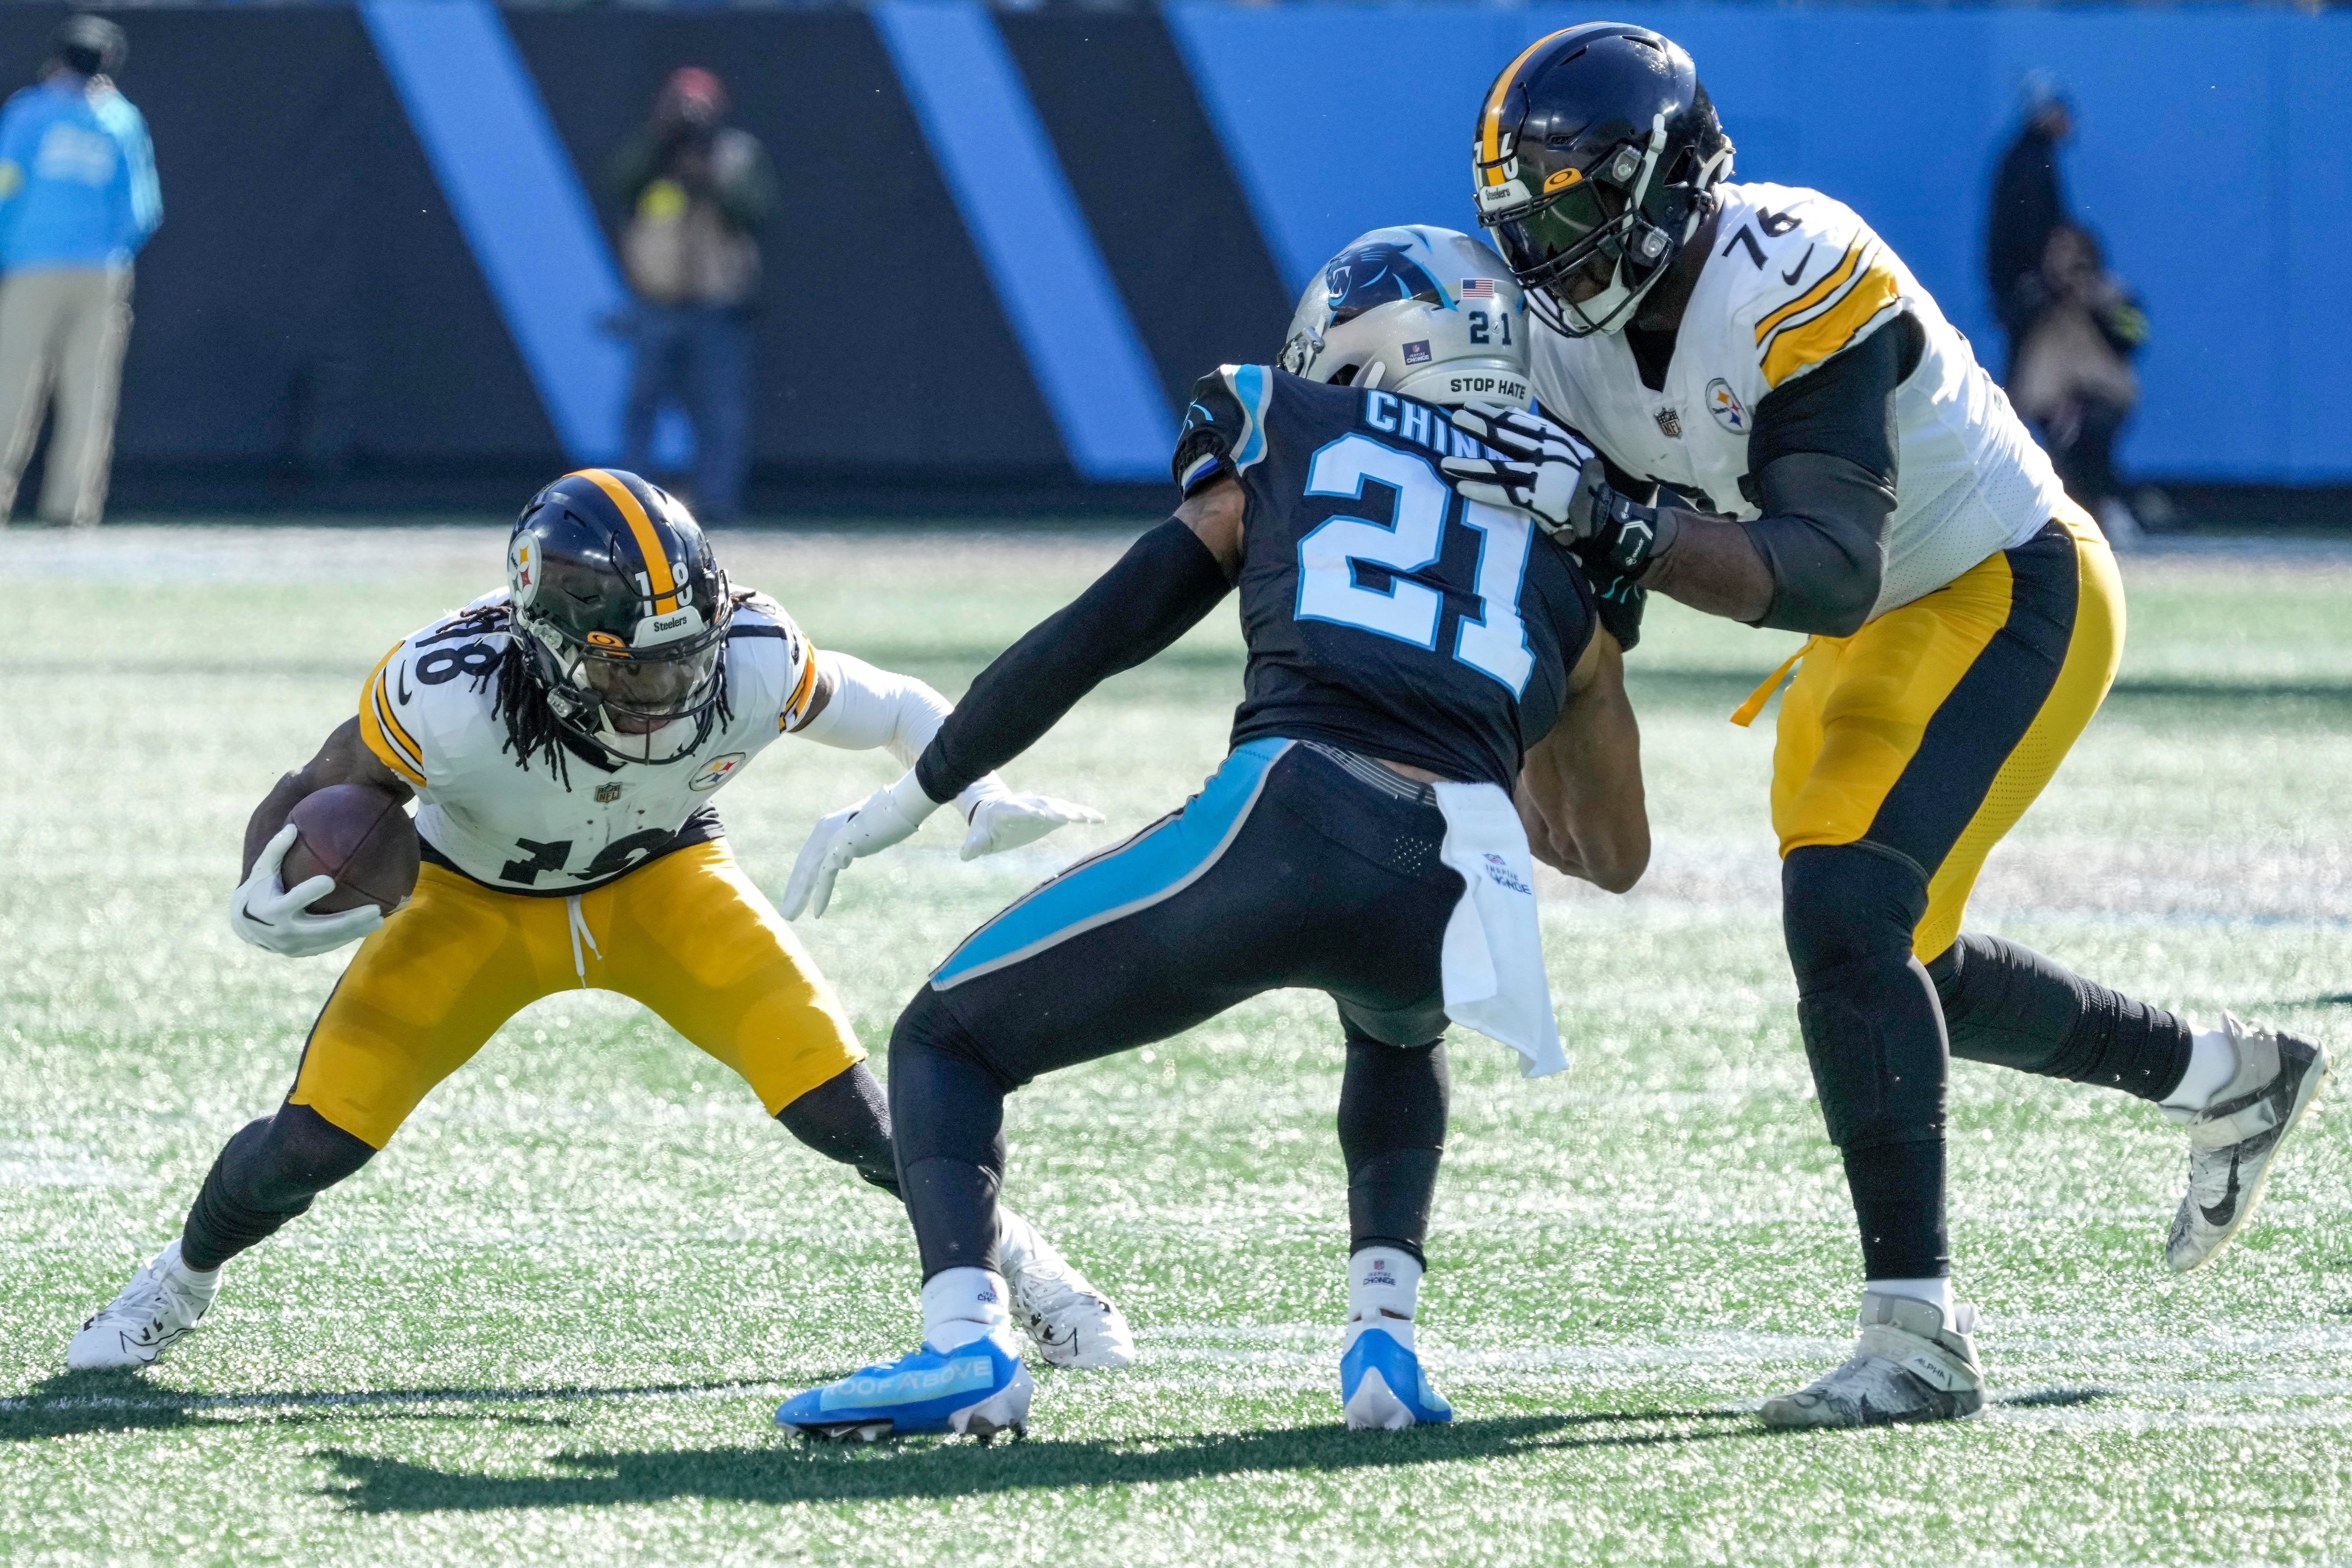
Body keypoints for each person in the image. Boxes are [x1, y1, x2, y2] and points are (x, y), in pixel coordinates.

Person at [1446, 24, 2330, 1429]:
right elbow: (1591, 601)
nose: (1542, 229)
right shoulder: (1557, 348)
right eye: (1525, 198)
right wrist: (1525, 726)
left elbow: (1820, 565)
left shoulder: (1791, 265)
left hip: (2000, 578)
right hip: (1860, 626)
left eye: (1573, 190)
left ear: (1667, 180)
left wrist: (1617, 522)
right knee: (1887, 945)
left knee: (1847, 915)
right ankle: (2223, 1074)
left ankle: (1913, 1337)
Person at [770, 227, 1651, 1442]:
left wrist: (918, 791)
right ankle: (1384, 1336)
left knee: (944, 1037)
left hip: (1294, 808)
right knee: (1399, 1024)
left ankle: (963, 1340)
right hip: (1465, 875)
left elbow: (1108, 624)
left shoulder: (1277, 418)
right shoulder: (1577, 537)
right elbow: (1614, 852)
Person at [67, 468, 1130, 1375]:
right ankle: (178, 1280)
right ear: (546, 641)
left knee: (853, 1114)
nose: (669, 690)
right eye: (635, 663)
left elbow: (897, 709)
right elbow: (320, 786)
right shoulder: (449, 687)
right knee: (306, 1145)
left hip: (660, 882)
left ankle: (1030, 1273)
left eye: (685, 656)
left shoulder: (753, 651)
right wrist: (265, 885)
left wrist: (980, 794)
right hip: (472, 902)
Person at [0, 16, 159, 529]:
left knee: (9, 384)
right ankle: (70, 509)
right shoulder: (121, 119)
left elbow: (3, 184)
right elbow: (142, 209)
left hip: (31, 268)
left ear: (56, 59)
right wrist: (108, 252)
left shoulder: (29, 113)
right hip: (102, 272)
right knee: (88, 391)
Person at [609, 68, 772, 524]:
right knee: (642, 406)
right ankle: (628, 507)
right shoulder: (653, 152)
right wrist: (661, 140)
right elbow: (620, 183)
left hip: (718, 303)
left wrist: (712, 178)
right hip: (656, 300)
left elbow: (757, 211)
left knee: (719, 412)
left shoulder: (737, 155)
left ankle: (718, 505)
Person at [2008, 222, 2150, 545]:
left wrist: (2100, 305)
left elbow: (2136, 336)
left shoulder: (2113, 293)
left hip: (2104, 393)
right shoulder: (2034, 294)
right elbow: (2015, 328)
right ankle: (2075, 519)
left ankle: (2108, 509)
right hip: (2049, 394)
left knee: (2093, 451)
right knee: (2061, 458)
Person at [1985, 72, 2072, 382]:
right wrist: (2039, 277)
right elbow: (2028, 229)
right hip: (2026, 285)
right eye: (2061, 111)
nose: (2069, 120)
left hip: (2019, 284)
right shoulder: (2030, 163)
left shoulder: (2026, 158)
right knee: (2025, 371)